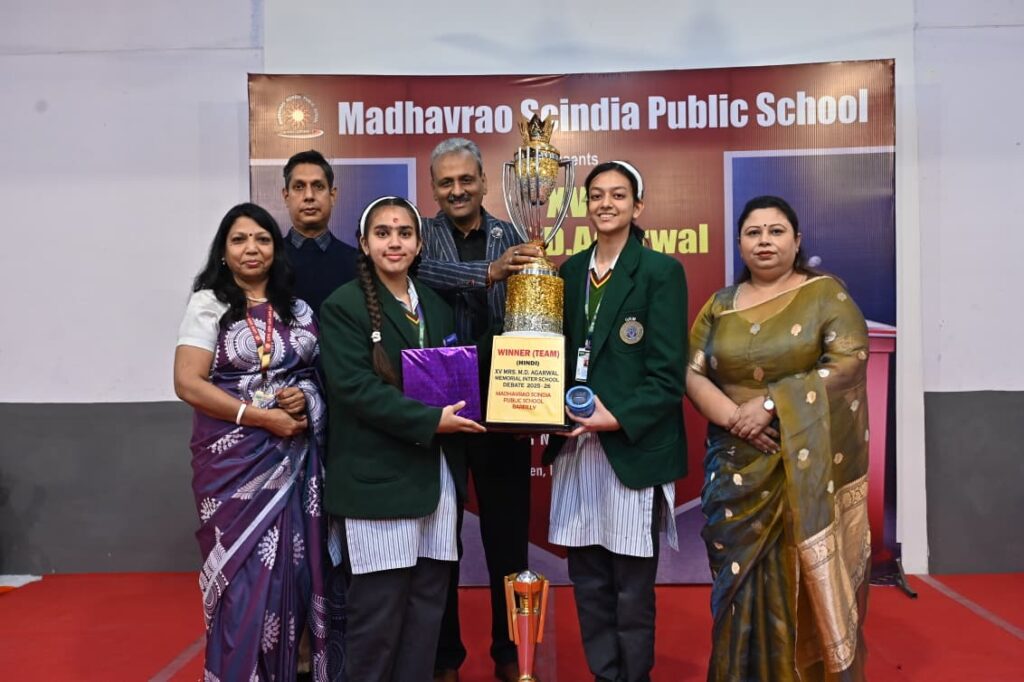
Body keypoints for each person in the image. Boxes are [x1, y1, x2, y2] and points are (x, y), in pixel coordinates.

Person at [686, 195, 870, 681]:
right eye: (753, 232)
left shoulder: (824, 295)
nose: (764, 241)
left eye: (775, 231)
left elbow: (849, 362)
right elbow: (692, 372)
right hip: (734, 464)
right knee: (737, 588)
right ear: (739, 243)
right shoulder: (719, 305)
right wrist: (736, 418)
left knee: (802, 580)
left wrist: (770, 405)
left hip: (802, 466)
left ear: (797, 239)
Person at [319, 196, 487, 681]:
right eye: (383, 233)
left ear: (418, 245)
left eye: (404, 233)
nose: (394, 242)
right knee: (377, 619)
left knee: (426, 615)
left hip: (436, 482)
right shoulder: (343, 305)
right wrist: (431, 421)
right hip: (378, 484)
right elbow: (354, 390)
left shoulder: (435, 305)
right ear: (364, 243)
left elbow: (455, 377)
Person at [545, 161, 688, 682]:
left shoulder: (660, 272)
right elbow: (554, 358)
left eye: (619, 195)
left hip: (632, 448)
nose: (606, 203)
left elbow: (668, 377)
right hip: (578, 448)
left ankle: (635, 675)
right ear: (586, 206)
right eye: (597, 195)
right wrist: (537, 403)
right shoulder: (568, 273)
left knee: (631, 586)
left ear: (637, 206)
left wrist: (616, 417)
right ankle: (605, 674)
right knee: (588, 582)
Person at [173, 202, 328, 681]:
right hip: (234, 468)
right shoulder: (209, 305)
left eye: (262, 239)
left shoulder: (297, 310)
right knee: (241, 584)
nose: (251, 248)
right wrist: (260, 418)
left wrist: (304, 399)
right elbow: (187, 382)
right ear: (223, 251)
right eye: (239, 239)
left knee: (295, 575)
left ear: (275, 249)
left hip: (295, 463)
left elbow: (315, 376)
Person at [417, 137, 542, 682]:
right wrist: (488, 273)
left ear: (485, 182)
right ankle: (445, 657)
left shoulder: (514, 236)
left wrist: (535, 402)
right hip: (438, 413)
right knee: (439, 542)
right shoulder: (415, 237)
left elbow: (535, 324)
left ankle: (511, 654)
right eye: (446, 182)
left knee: (508, 541)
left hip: (503, 409)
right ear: (433, 188)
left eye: (466, 179)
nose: (457, 190)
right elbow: (421, 274)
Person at [282, 149, 358, 316]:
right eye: (299, 187)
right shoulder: (269, 259)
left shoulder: (357, 263)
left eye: (318, 186)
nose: (309, 196)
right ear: (286, 196)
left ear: (332, 195)